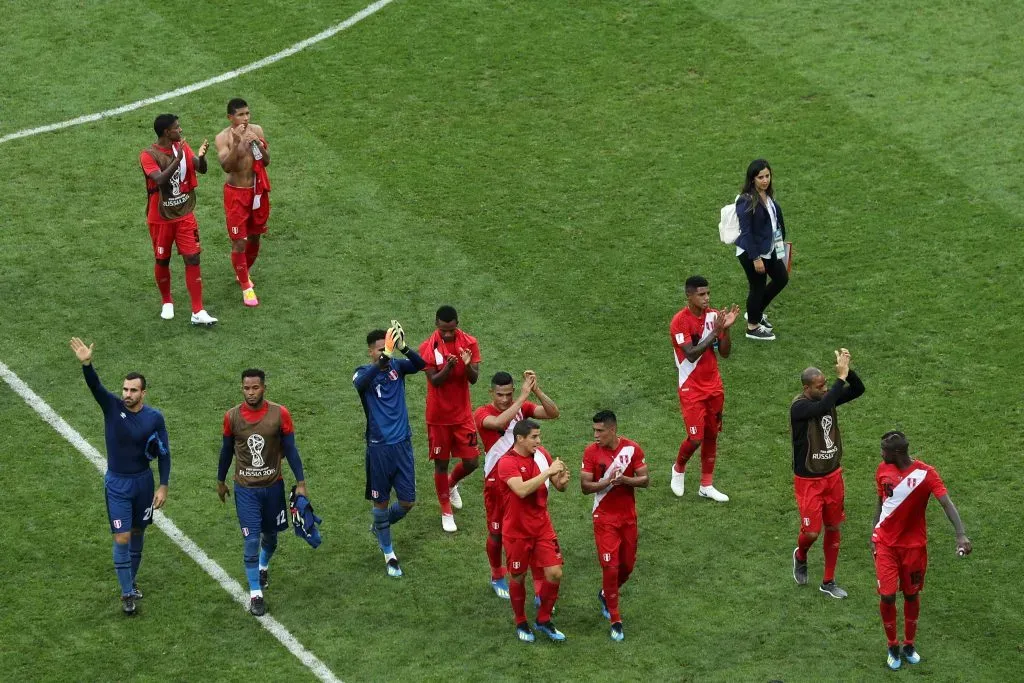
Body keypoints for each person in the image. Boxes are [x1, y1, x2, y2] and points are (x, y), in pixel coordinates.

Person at [70, 337, 170, 615]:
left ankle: (131, 581)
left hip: (143, 482)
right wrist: (87, 364)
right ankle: (127, 593)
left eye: (133, 390)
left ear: (143, 393)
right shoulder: (112, 407)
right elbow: (95, 387)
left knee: (138, 531)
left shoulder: (155, 418)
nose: (127, 394)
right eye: (125, 389)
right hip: (117, 484)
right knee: (122, 537)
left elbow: (164, 453)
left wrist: (163, 485)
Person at [871, 431, 971, 671]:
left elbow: (946, 503)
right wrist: (873, 531)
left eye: (884, 450)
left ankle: (909, 644)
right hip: (885, 544)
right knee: (887, 595)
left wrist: (961, 535)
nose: (881, 454)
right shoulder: (882, 470)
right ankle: (892, 645)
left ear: (896, 453)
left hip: (914, 548)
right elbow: (881, 502)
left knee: (911, 595)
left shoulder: (926, 474)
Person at [218, 369, 308, 616]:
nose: (250, 392)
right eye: (246, 388)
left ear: (263, 388)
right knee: (251, 539)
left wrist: (301, 483)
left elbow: (290, 449)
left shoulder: (280, 414)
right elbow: (226, 451)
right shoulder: (232, 417)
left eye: (255, 388)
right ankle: (256, 594)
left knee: (271, 539)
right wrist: (220, 481)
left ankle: (263, 565)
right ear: (241, 388)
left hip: (273, 487)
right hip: (245, 489)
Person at [474, 370, 560, 598]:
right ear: (491, 392)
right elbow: (499, 422)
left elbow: (553, 413)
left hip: (523, 477)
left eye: (509, 394)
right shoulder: (482, 413)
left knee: (529, 531)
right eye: (500, 395)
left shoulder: (521, 406)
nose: (504, 399)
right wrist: (522, 398)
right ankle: (496, 575)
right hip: (496, 483)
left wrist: (536, 390)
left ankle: (539, 582)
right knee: (496, 533)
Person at [789, 348, 865, 599]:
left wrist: (848, 372)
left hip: (832, 475)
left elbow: (858, 390)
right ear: (806, 388)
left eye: (825, 385)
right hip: (808, 481)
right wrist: (838, 380)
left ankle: (828, 581)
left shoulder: (826, 399)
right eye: (819, 386)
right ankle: (801, 555)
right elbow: (822, 406)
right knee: (811, 532)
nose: (824, 389)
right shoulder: (799, 408)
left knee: (833, 526)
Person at [353, 323, 426, 577]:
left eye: (385, 348)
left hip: (402, 445)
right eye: (377, 350)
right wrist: (381, 362)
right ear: (370, 352)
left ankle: (380, 526)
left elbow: (420, 365)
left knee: (407, 502)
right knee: (381, 501)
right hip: (379, 449)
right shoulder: (363, 372)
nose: (381, 353)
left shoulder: (398, 367)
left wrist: (404, 348)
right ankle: (389, 554)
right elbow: (359, 384)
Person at [139, 114, 217, 326]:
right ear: (166, 132)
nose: (180, 130)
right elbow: (160, 179)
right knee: (162, 260)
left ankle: (198, 310)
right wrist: (177, 158)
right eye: (176, 127)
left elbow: (200, 168)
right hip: (160, 218)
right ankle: (167, 301)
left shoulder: (181, 146)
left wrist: (201, 157)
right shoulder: (148, 155)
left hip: (184, 215)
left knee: (193, 258)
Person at [496, 420, 569, 643]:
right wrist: (548, 472)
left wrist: (562, 481)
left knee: (555, 573)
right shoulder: (506, 462)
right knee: (517, 577)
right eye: (534, 437)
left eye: (539, 436)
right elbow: (521, 490)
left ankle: (543, 619)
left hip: (542, 526)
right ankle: (521, 621)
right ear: (520, 439)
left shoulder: (541, 454)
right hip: (517, 531)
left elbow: (558, 484)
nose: (539, 441)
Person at [669, 275, 740, 503]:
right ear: (689, 296)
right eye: (701, 294)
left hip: (714, 387)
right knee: (695, 437)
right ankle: (678, 468)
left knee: (711, 436)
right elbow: (691, 353)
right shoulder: (680, 321)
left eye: (708, 293)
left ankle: (706, 485)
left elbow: (725, 353)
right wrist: (714, 332)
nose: (707, 298)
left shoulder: (714, 317)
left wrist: (725, 330)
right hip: (691, 388)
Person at [580, 411, 648, 642]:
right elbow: (585, 486)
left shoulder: (632, 449)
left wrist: (626, 480)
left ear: (612, 430)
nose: (596, 435)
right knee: (610, 567)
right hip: (604, 517)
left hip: (628, 518)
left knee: (626, 566)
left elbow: (645, 479)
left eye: (600, 431)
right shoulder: (591, 452)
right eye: (594, 431)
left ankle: (605, 594)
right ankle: (615, 619)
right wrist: (608, 482)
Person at [418, 305, 481, 532]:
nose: (447, 334)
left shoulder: (469, 343)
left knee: (472, 462)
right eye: (444, 330)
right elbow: (434, 381)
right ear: (436, 324)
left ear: (457, 324)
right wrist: (448, 367)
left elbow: (474, 379)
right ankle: (446, 511)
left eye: (451, 330)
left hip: (462, 415)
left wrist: (465, 366)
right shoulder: (427, 347)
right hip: (438, 417)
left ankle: (452, 484)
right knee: (441, 463)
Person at [215, 98, 271, 307]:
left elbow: (265, 161)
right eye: (240, 115)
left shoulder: (256, 130)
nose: (245, 119)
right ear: (230, 117)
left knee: (255, 237)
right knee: (239, 241)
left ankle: (243, 273)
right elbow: (227, 167)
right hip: (236, 194)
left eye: (247, 114)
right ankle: (247, 288)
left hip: (256, 192)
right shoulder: (223, 138)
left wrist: (256, 143)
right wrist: (238, 143)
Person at [735, 158, 788, 341]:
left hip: (769, 249)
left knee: (781, 278)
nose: (765, 180)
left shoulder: (767, 196)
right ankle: (752, 327)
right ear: (752, 179)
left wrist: (781, 252)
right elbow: (747, 233)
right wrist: (756, 258)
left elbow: (776, 227)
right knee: (757, 287)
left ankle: (754, 312)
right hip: (753, 252)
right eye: (760, 177)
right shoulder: (745, 201)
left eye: (767, 176)